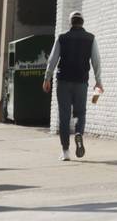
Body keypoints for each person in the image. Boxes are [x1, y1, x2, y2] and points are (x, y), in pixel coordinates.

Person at [43, 11, 103, 161]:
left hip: (63, 81)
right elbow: (96, 61)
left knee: (64, 116)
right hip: (81, 82)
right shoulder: (91, 38)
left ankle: (65, 152)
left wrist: (47, 78)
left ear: (70, 23)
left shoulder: (62, 38)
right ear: (82, 23)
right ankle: (78, 133)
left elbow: (53, 59)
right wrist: (98, 81)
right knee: (80, 113)